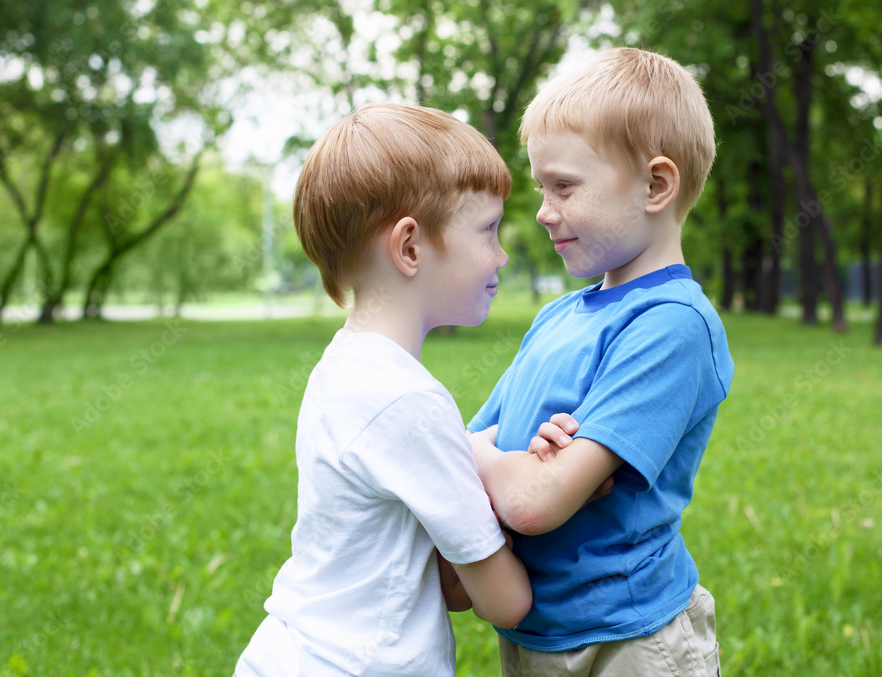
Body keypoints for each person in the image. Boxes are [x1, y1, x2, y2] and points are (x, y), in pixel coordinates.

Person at [235, 103, 538, 677]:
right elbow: (505, 601)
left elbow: (448, 582)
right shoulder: (410, 402)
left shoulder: (343, 368)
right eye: (488, 229)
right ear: (410, 248)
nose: (500, 255)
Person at [467, 47, 735, 676]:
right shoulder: (557, 317)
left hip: (632, 642)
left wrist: (500, 465)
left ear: (655, 185)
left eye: (564, 186)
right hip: (536, 635)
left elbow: (534, 503)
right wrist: (510, 461)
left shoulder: (673, 325)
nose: (542, 211)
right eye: (541, 188)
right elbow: (466, 446)